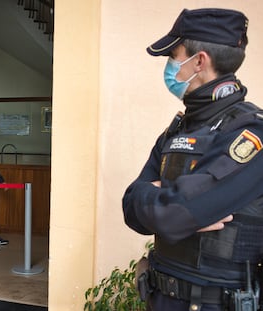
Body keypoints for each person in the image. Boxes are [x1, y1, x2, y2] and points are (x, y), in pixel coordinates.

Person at [122, 8, 263, 311]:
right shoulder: (178, 128)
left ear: (199, 61)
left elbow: (175, 214)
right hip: (159, 298)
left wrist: (168, 199)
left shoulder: (252, 133)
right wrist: (174, 203)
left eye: (174, 55)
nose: (171, 66)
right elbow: (130, 206)